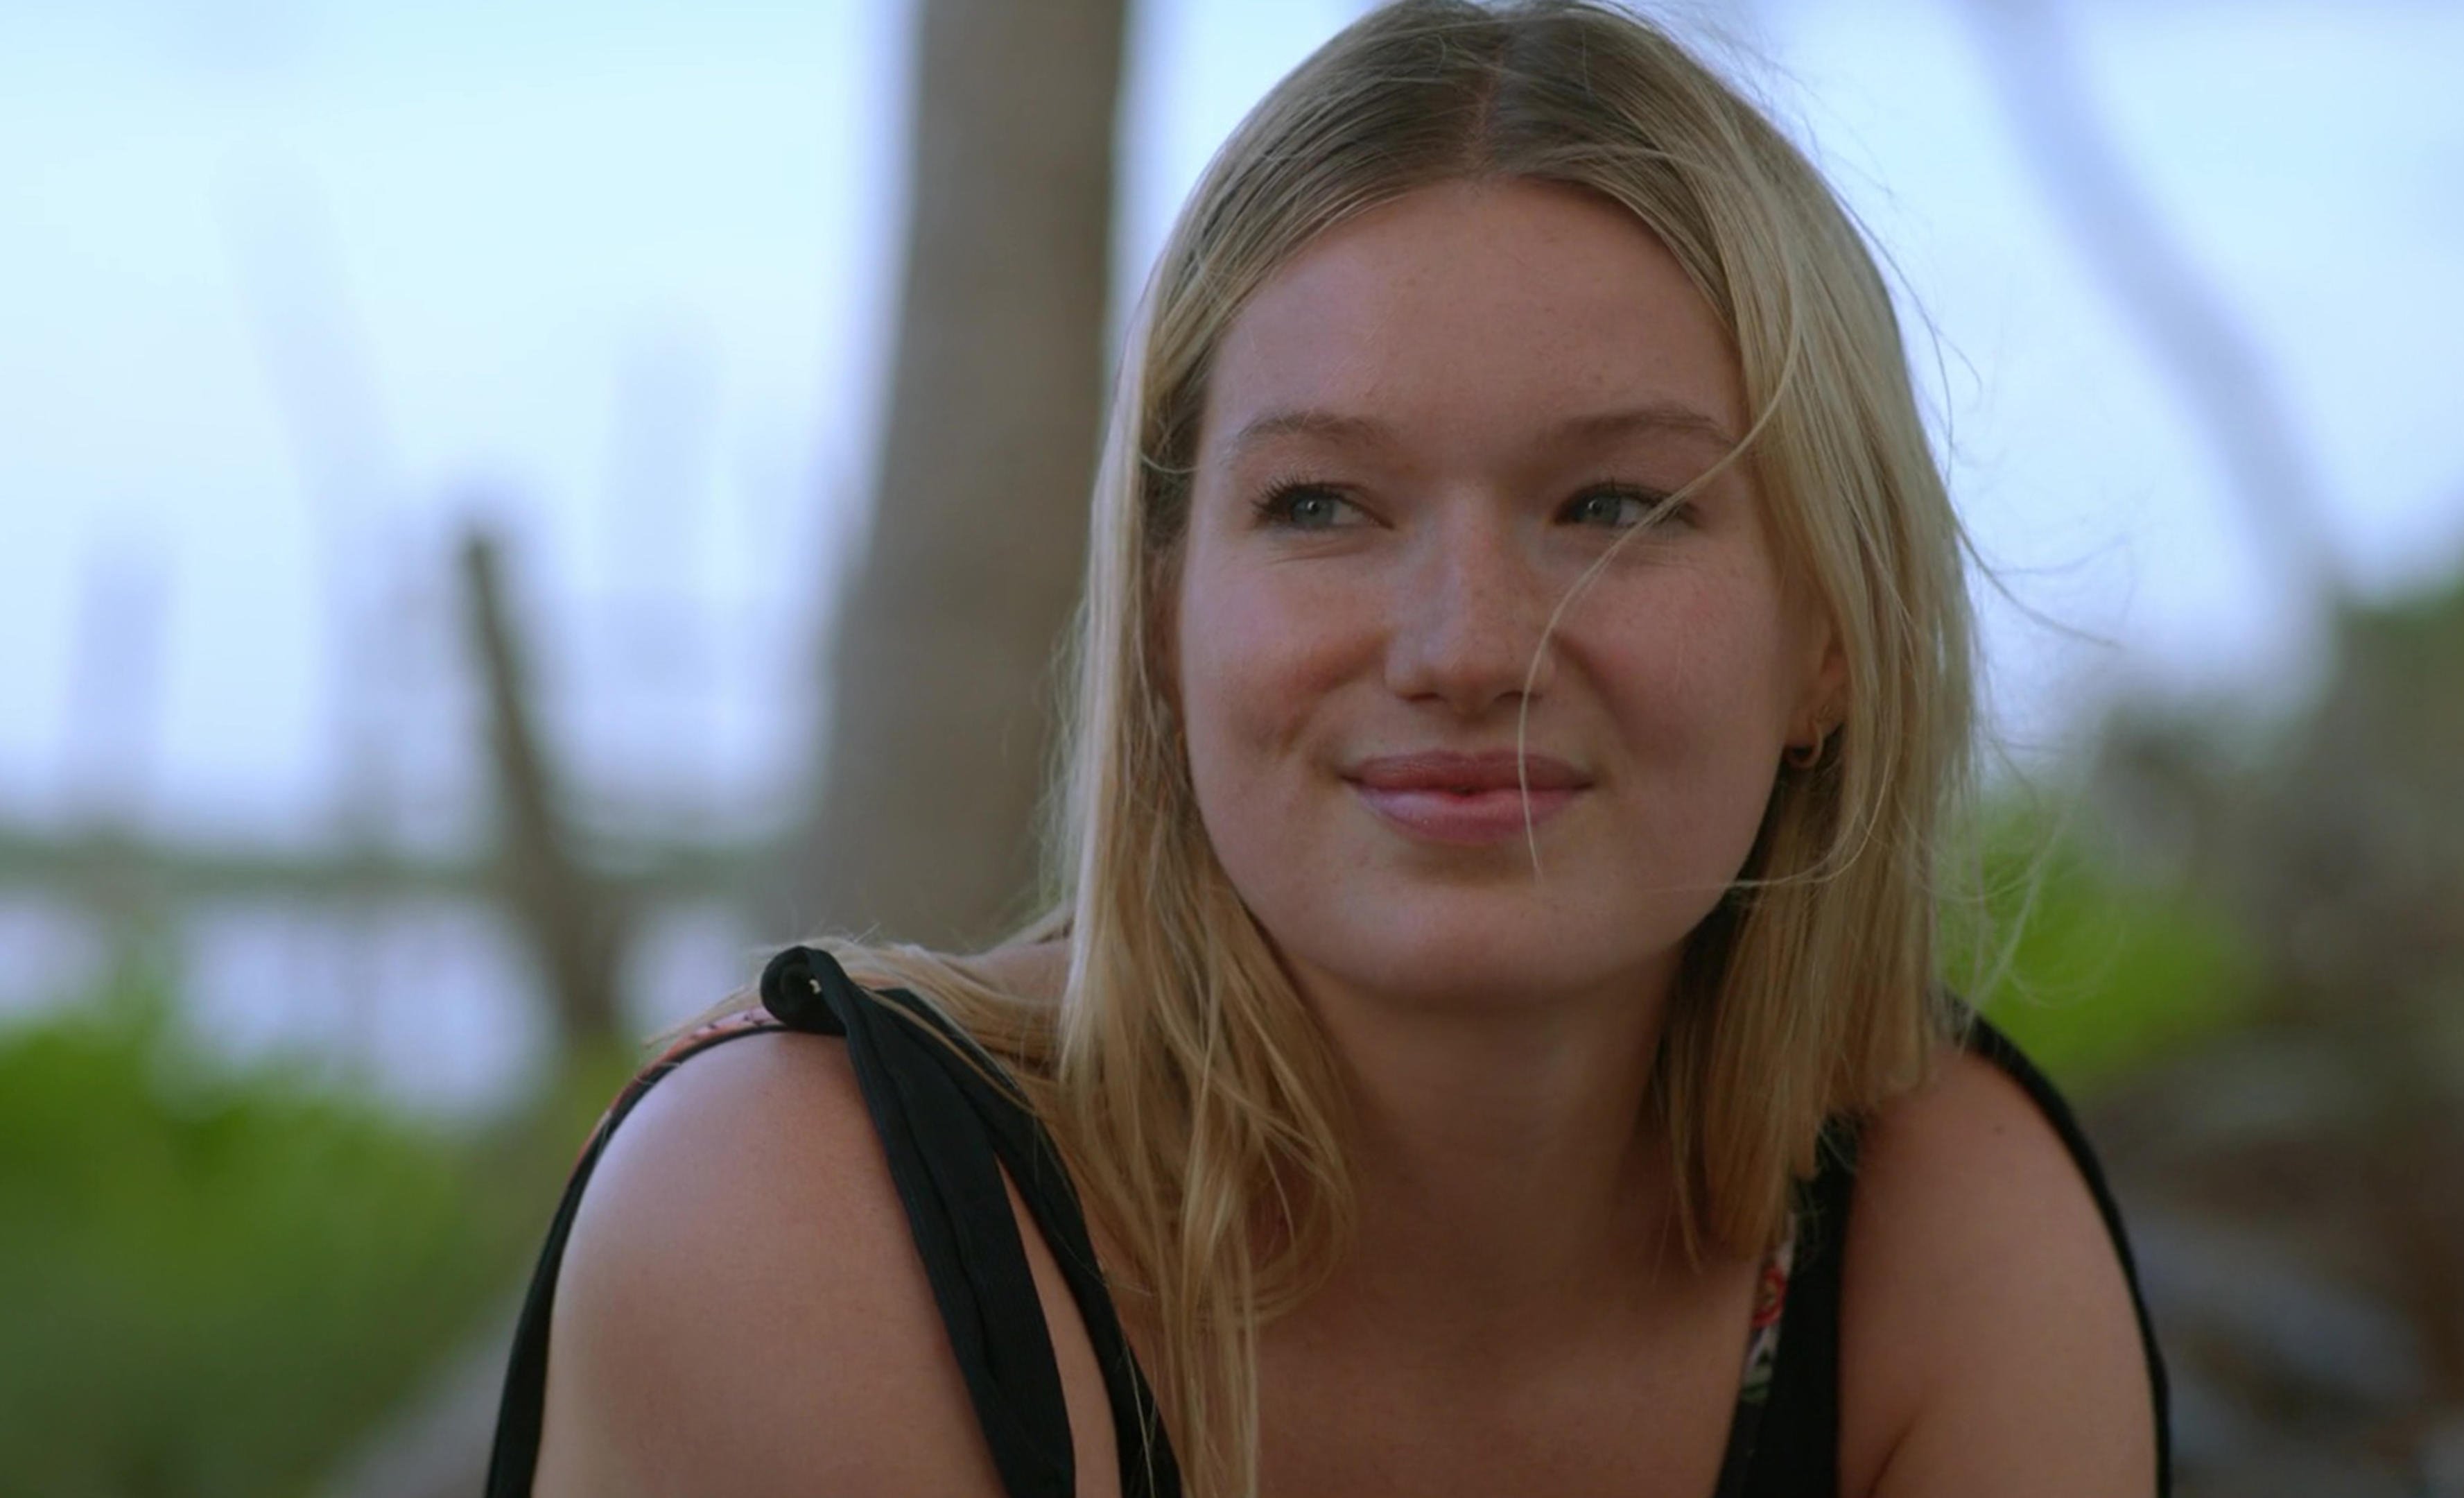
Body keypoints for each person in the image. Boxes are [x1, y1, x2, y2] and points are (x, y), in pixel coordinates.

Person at [488, 1, 2168, 1493]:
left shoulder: (1943, 1239)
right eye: (1320, 506)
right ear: (1164, 616)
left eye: (1611, 506)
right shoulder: (808, 1222)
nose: (1465, 649)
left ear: (1830, 640)